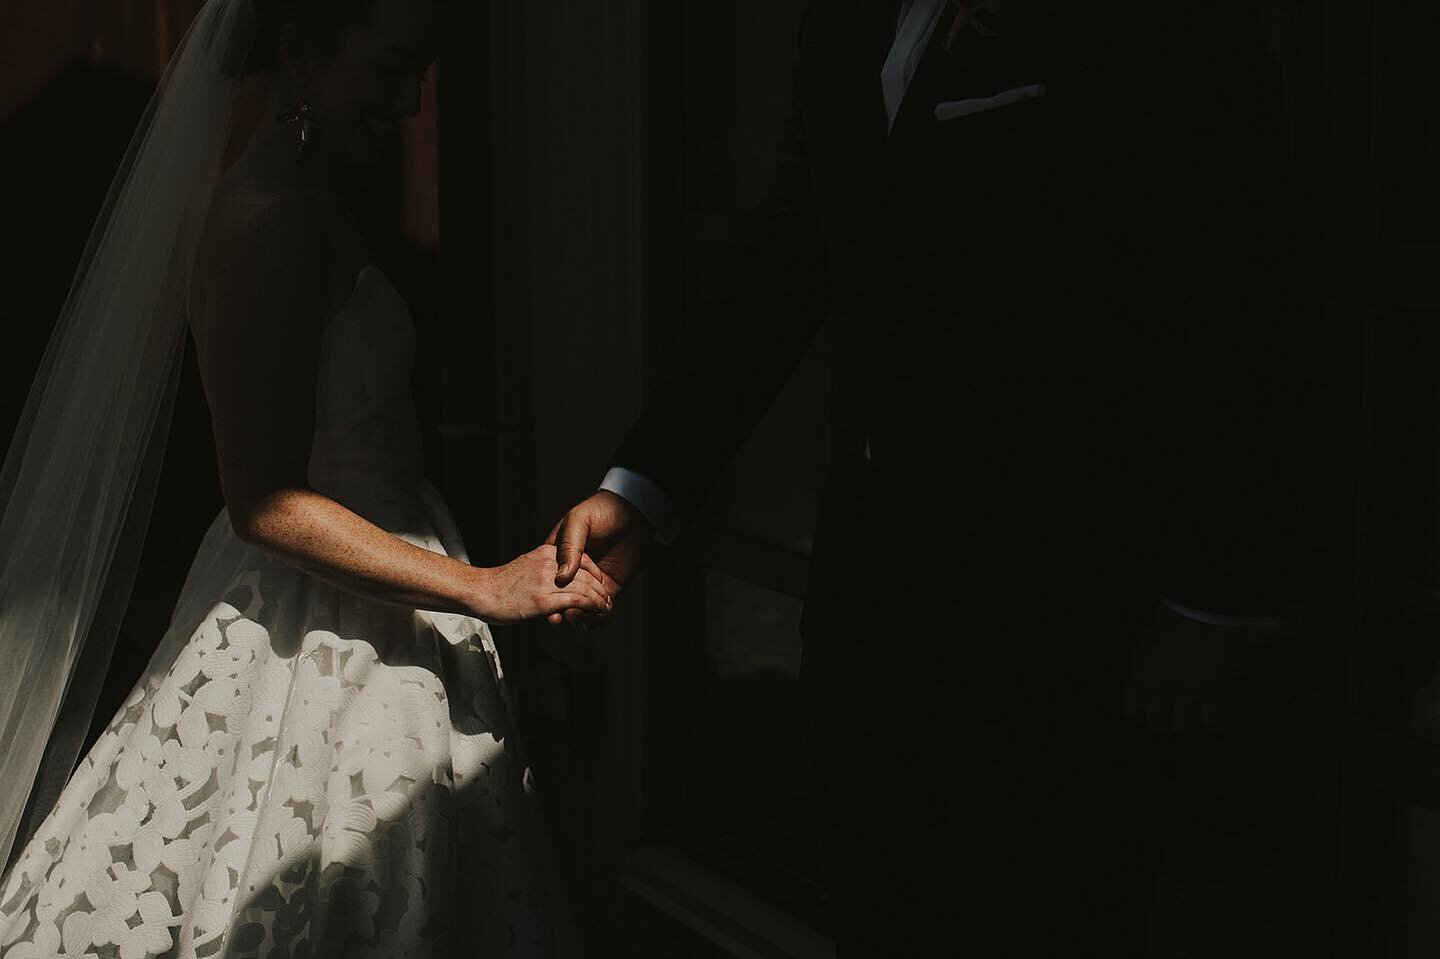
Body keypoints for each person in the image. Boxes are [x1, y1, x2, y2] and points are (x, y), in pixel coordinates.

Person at [546, 1, 1312, 954]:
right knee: (886, 913)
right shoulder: (844, 24)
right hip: (870, 598)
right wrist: (645, 485)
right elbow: (790, 254)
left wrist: (1211, 601)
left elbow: (1247, 304)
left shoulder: (1171, 29)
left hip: (1076, 612)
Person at [0, 0, 604, 954]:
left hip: (383, 584)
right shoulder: (265, 218)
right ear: (300, 54)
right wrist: (484, 587)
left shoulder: (317, 200)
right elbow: (264, 503)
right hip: (312, 610)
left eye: (424, 76)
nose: (409, 104)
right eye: (390, 68)